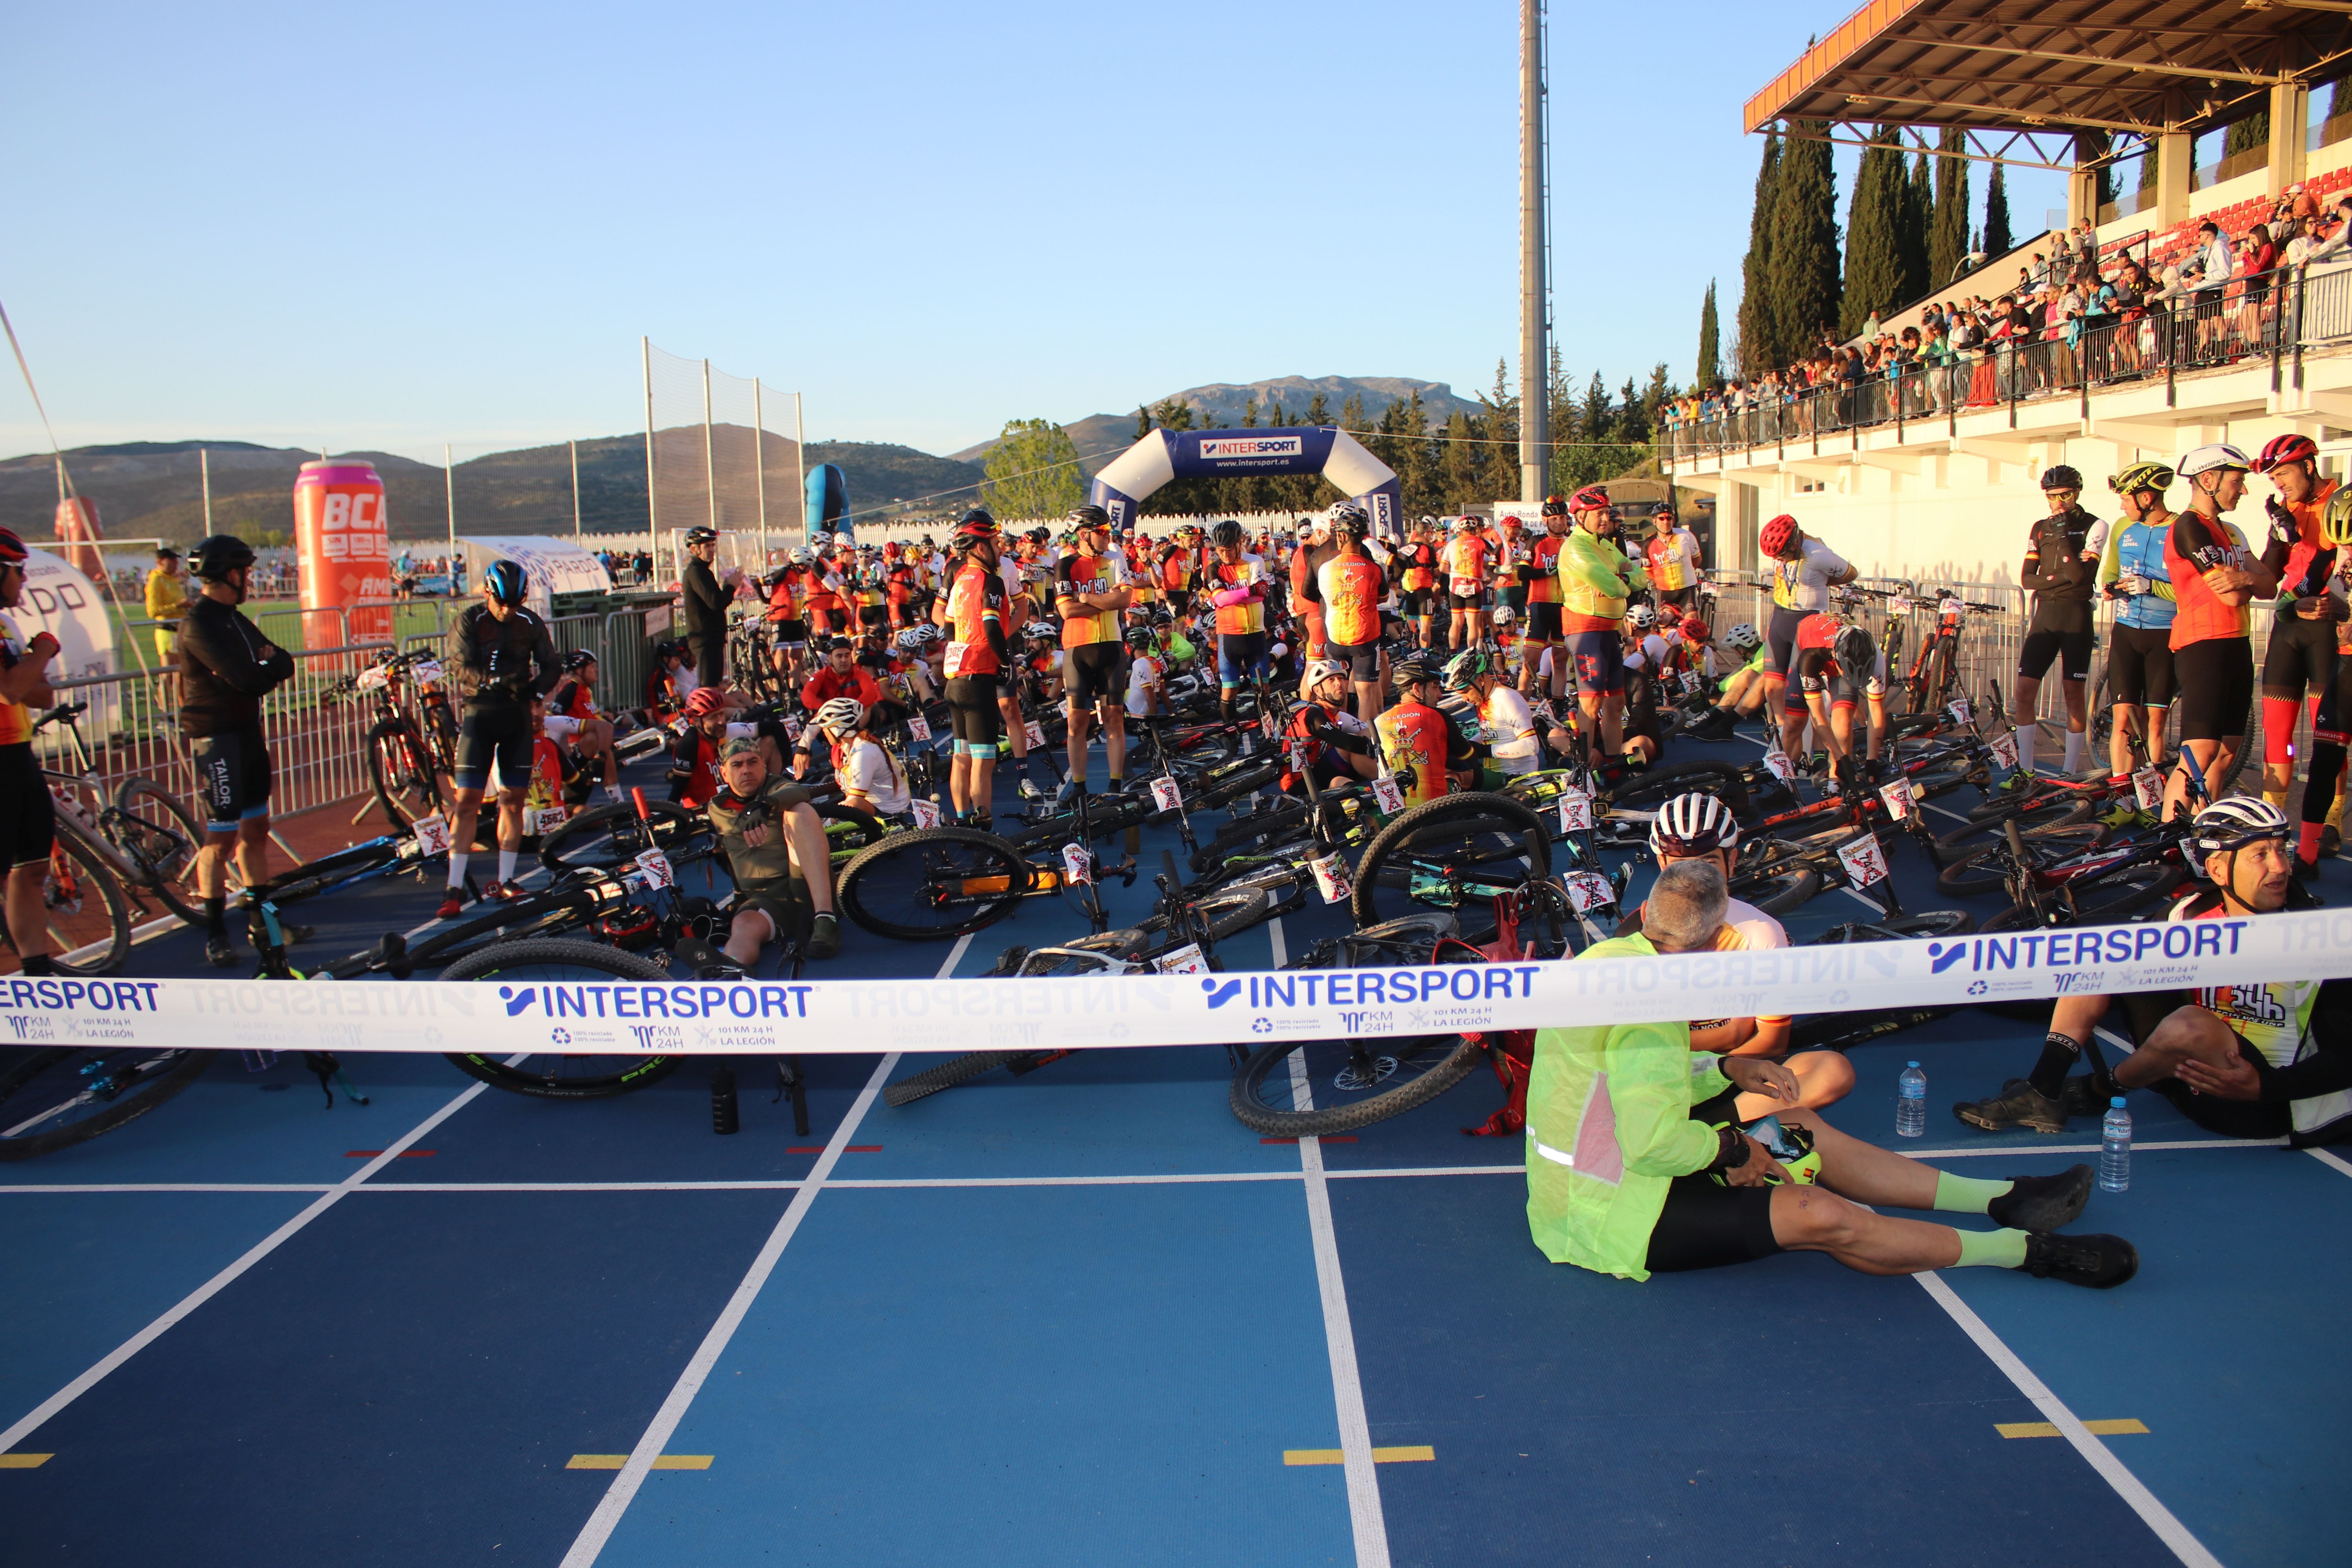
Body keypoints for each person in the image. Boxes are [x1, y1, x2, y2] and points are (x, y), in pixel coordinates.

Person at [1525, 858, 2134, 1287]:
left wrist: (1727, 1067)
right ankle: (2022, 1250)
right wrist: (1733, 1150)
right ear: (1714, 940)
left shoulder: (1607, 961)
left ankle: (2005, 1199)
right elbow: (1654, 1141)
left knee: (1796, 1128)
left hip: (1598, 1178)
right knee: (1821, 1214)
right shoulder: (1652, 1010)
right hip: (1609, 1214)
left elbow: (1628, 1082)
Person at [1954, 797, 2352, 1146]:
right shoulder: (2188, 917)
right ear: (2217, 869)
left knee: (2192, 1024)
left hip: (2256, 1100)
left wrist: (2265, 1087)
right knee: (2111, 950)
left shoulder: (2319, 943)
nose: (2281, 867)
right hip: (2180, 1081)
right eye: (2260, 854)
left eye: (2282, 850)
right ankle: (2044, 1087)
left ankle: (2098, 1091)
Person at [1619, 793, 1851, 1114]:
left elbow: (1773, 1041)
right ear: (1662, 865)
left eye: (1710, 863)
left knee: (1833, 1070)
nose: (1698, 879)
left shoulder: (1760, 932)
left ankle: (1714, 1128)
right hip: (1658, 1080)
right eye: (1683, 866)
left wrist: (1722, 1066)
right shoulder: (1631, 935)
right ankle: (1725, 1131)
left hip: (1735, 1070)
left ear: (1733, 860)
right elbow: (1628, 1050)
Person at [177, 534, 298, 967]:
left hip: (248, 733)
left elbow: (284, 660)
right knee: (221, 839)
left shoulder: (236, 619)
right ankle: (215, 934)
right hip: (218, 737)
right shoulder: (199, 624)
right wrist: (268, 667)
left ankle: (262, 923)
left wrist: (268, 665)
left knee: (256, 832)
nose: (248, 579)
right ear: (231, 574)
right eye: (245, 572)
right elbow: (247, 679)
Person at [439, 559, 560, 920]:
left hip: (517, 717)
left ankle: (507, 879)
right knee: (467, 802)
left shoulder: (529, 622)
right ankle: (454, 886)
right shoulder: (469, 620)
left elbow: (551, 663)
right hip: (481, 714)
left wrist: (536, 691)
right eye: (502, 603)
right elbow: (459, 665)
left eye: (515, 604)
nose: (508, 611)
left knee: (513, 800)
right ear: (487, 593)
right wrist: (496, 682)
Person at [2162, 444, 2277, 818]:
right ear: (2208, 480)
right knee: (2199, 754)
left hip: (2237, 646)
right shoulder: (2189, 526)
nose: (2243, 490)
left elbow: (2269, 584)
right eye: (2237, 481)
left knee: (2227, 751)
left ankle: (2201, 827)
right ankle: (2168, 841)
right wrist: (2249, 583)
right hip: (2203, 646)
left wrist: (2244, 578)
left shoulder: (2228, 530)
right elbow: (2230, 599)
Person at [2249, 434, 2344, 815]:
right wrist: (2277, 536)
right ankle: (2273, 818)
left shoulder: (2341, 501)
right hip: (2288, 624)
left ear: (2308, 466)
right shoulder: (2287, 508)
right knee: (2277, 732)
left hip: (2328, 627)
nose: (2280, 485)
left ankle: (2331, 820)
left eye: (2284, 473)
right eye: (2273, 479)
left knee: (2328, 738)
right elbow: (2271, 579)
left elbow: (2333, 569)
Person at [2001, 466, 2108, 785]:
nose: (2058, 502)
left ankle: (2070, 771)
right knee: (2024, 693)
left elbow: (2080, 578)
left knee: (2073, 694)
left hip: (2076, 615)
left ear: (2077, 494)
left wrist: (2062, 539)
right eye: (2052, 496)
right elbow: (2027, 579)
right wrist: (2056, 577)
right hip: (2045, 615)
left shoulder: (2095, 526)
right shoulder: (2039, 528)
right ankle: (2027, 770)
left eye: (2065, 495)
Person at [704, 737, 841, 964]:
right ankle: (729, 972)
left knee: (799, 811)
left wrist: (767, 805)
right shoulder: (716, 809)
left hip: (804, 885)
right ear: (724, 774)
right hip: (768, 900)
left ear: (763, 765)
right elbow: (727, 854)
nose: (746, 770)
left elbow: (799, 792)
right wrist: (738, 896)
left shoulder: (776, 787)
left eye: (753, 762)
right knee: (743, 928)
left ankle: (826, 920)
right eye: (737, 765)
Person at [0, 530, 64, 975]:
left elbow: (41, 695)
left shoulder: (6, 625)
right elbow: (14, 688)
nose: (24, 580)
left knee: (33, 867)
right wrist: (43, 649)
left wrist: (33, 661)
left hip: (18, 754)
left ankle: (37, 970)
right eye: (18, 571)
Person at [2095, 461, 2180, 791]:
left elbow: (2188, 590)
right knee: (2123, 718)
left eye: (2126, 498)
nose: (2121, 505)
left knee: (2155, 721)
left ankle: (2154, 796)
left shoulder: (2180, 530)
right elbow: (2110, 571)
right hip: (2127, 631)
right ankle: (2122, 796)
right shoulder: (2122, 528)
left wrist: (2152, 586)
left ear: (2146, 498)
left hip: (2165, 634)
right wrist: (2110, 586)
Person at [934, 510, 1014, 827]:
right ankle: (984, 827)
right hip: (979, 676)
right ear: (981, 548)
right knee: (984, 759)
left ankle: (964, 820)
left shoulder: (958, 581)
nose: (1001, 549)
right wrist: (1006, 662)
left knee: (961, 756)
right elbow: (993, 627)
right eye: (996, 542)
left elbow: (949, 629)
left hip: (955, 679)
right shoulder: (990, 580)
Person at [1556, 485, 1648, 762]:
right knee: (1591, 703)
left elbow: (1641, 576)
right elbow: (1615, 587)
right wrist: (1618, 581)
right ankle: (1584, 766)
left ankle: (1612, 761)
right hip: (1586, 632)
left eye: (1608, 512)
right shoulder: (1575, 549)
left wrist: (1622, 581)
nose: (1606, 519)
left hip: (1609, 632)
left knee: (1617, 703)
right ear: (1581, 516)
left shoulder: (1604, 544)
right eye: (1600, 513)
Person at [1053, 505, 1133, 801]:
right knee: (1077, 722)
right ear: (1084, 535)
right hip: (1077, 648)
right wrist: (1105, 600)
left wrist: (1088, 596)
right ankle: (1079, 787)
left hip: (1111, 645)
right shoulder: (1066, 564)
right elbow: (1067, 610)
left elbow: (1125, 598)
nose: (1108, 537)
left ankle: (1115, 786)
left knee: (1114, 718)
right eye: (1102, 532)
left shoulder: (1115, 558)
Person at [1755, 514, 1855, 735]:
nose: (1780, 559)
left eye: (1783, 554)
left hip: (1809, 623)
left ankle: (1809, 740)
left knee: (1802, 695)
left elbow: (1852, 573)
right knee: (1772, 688)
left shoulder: (1818, 554)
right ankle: (1782, 738)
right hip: (1781, 618)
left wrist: (1824, 581)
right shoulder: (1784, 550)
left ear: (1795, 542)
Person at [1298, 503, 1388, 725]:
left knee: (1340, 690)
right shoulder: (1373, 568)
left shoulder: (1326, 566)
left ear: (1340, 537)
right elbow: (1383, 598)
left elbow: (1313, 593)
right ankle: (1368, 742)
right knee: (1366, 692)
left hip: (1335, 635)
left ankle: (1340, 739)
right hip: (1365, 637)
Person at [1784, 608, 1887, 777]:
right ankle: (1780, 779)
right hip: (1810, 640)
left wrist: (1872, 760)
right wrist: (1842, 759)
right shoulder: (1812, 656)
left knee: (1844, 720)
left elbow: (1876, 712)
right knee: (1795, 722)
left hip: (1844, 653)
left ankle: (1835, 785)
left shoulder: (1876, 656)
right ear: (1836, 658)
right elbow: (1819, 717)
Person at [1374, 653, 1476, 806]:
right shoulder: (1438, 715)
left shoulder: (1378, 722)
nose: (1440, 695)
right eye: (1435, 687)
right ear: (1417, 689)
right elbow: (1469, 760)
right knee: (1475, 773)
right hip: (1436, 809)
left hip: (1395, 814)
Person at [1201, 519, 1271, 731]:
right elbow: (1220, 600)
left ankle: (1267, 733)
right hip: (1229, 637)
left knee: (1263, 688)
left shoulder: (1255, 561)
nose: (1225, 555)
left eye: (1229, 549)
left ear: (1240, 543)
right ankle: (1230, 733)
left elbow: (1262, 598)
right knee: (1230, 689)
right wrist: (1249, 591)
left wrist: (1236, 596)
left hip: (1256, 635)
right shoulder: (1214, 568)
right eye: (1220, 551)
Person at [1283, 658, 1381, 789]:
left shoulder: (1333, 713)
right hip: (1303, 782)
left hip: (1321, 769)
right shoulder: (1312, 716)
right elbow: (1344, 742)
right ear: (1318, 691)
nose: (1339, 683)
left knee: (1368, 733)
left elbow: (1369, 730)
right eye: (1332, 680)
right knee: (1351, 746)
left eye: (1341, 679)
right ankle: (1385, 782)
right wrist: (1374, 748)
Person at [544, 650, 621, 801]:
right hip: (581, 749)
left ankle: (617, 804)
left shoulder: (584, 689)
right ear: (580, 670)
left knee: (602, 744)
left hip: (592, 744)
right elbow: (552, 719)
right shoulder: (570, 690)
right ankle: (618, 803)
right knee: (597, 741)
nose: (597, 670)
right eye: (592, 667)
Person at [1517, 496, 1569, 699]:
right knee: (1531, 662)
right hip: (1540, 605)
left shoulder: (1573, 542)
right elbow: (1523, 573)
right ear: (1545, 520)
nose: (1559, 522)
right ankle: (1522, 704)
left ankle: (1557, 703)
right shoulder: (1536, 542)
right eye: (1554, 518)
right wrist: (1548, 571)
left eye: (1563, 518)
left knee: (1561, 660)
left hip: (1566, 607)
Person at [679, 525, 733, 688]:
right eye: (707, 546)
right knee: (708, 688)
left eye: (713, 546)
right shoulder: (696, 572)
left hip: (713, 638)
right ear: (694, 550)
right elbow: (716, 602)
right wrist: (731, 587)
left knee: (715, 685)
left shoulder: (704, 571)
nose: (712, 550)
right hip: (704, 639)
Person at [1440, 515, 1491, 651]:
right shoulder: (1480, 542)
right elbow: (1494, 557)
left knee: (1456, 622)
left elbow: (1442, 568)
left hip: (1456, 585)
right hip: (1475, 585)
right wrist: (1490, 575)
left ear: (1461, 530)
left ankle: (1453, 652)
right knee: (1473, 624)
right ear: (1475, 530)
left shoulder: (1452, 544)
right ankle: (1471, 654)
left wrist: (1455, 573)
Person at [1393, 517, 1443, 650]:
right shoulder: (1428, 550)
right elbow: (1438, 572)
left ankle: (1408, 652)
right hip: (1425, 592)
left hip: (1409, 592)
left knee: (1412, 626)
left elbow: (1399, 567)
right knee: (1426, 626)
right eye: (1431, 534)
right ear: (1426, 534)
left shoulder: (1405, 549)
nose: (1432, 536)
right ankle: (1425, 653)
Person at [1642, 505, 1703, 613]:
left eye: (1669, 518)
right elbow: (1647, 571)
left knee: (1692, 621)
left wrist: (1686, 573)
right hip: (1665, 591)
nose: (1666, 522)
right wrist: (1661, 580)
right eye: (1662, 518)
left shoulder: (1686, 536)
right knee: (1665, 625)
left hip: (1687, 588)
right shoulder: (1648, 544)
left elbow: (1697, 560)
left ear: (1673, 520)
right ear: (1654, 521)